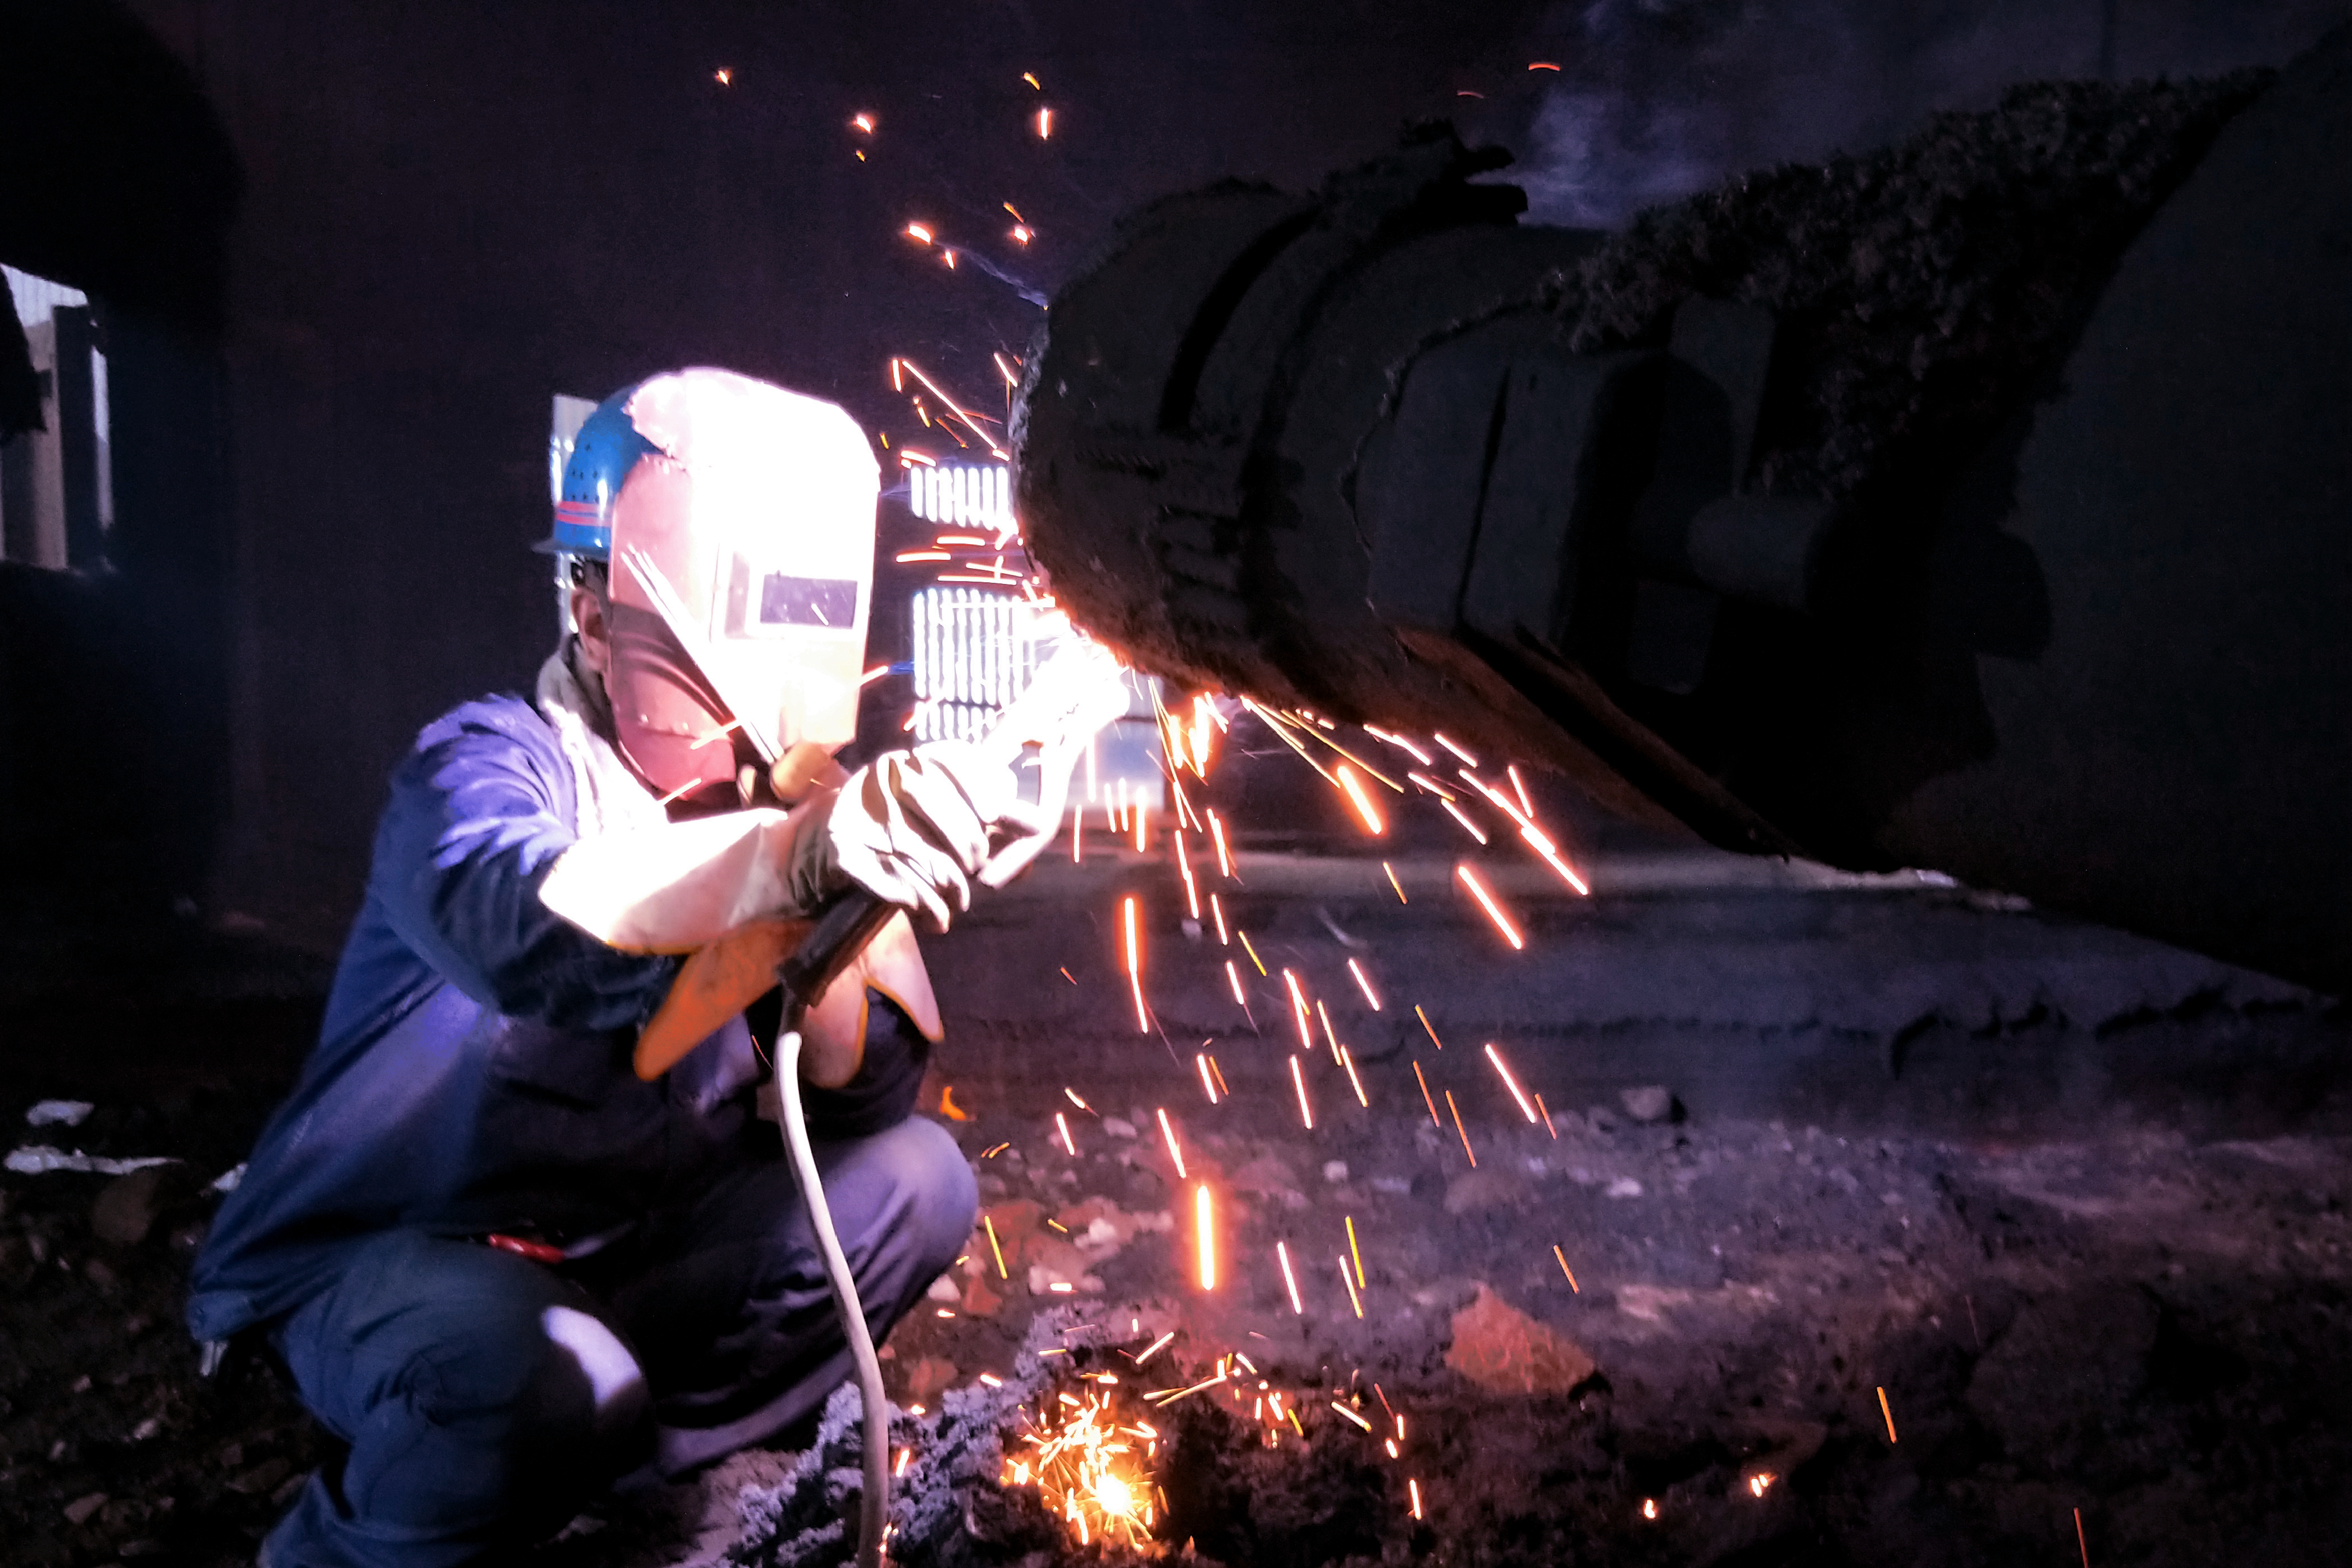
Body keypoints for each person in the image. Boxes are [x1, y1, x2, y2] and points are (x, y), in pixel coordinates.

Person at [188, 369, 1021, 1568]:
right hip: (389, 1254)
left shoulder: (782, 808)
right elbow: (526, 923)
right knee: (533, 1375)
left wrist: (836, 921)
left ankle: (625, 1486)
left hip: (614, 1252)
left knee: (915, 1179)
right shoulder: (481, 769)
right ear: (594, 619)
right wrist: (775, 870)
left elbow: (864, 1096)